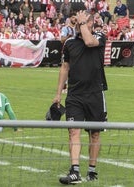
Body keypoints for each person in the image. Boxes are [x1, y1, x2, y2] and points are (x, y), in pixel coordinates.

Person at [53, 10, 108, 184]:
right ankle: (75, 170)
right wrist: (58, 93)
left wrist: (84, 23)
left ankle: (92, 170)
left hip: (95, 93)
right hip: (74, 94)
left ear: (91, 23)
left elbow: (89, 42)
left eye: (83, 21)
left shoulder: (99, 36)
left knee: (95, 134)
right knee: (73, 131)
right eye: (77, 21)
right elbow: (65, 67)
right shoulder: (69, 42)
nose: (78, 23)